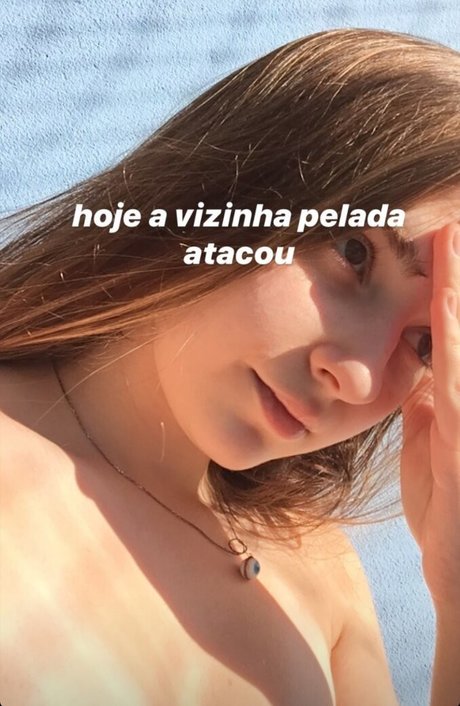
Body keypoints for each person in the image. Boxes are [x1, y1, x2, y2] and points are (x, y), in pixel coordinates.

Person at [0, 27, 459, 706]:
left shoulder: (322, 571)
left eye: (424, 346)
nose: (360, 377)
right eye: (354, 252)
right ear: (228, 183)